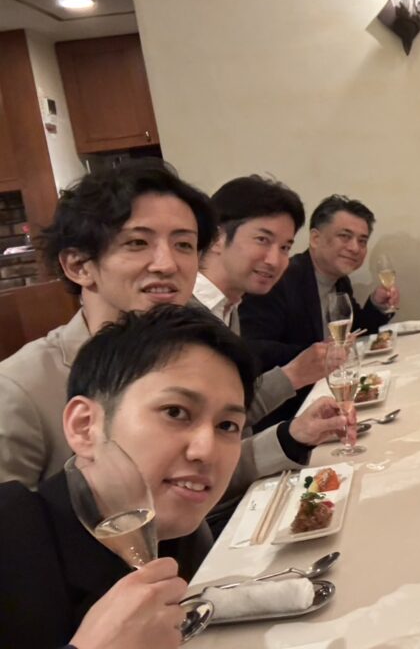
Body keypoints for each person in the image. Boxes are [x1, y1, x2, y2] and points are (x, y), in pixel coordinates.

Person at [0, 161, 344, 497]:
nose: (168, 264)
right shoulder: (21, 391)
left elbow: (201, 471)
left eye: (183, 245)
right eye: (137, 243)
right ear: (78, 265)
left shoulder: (188, 349)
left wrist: (292, 437)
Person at [0, 305, 258, 648]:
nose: (206, 450)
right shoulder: (11, 538)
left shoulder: (181, 538)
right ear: (85, 426)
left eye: (227, 425)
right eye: (175, 412)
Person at [197, 176, 350, 524]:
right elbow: (195, 452)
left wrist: (294, 432)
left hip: (236, 494)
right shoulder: (184, 318)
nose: (275, 259)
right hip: (209, 519)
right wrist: (288, 427)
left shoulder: (227, 309)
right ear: (217, 237)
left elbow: (227, 416)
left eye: (284, 247)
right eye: (263, 240)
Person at [240, 194, 397, 372]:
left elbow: (353, 334)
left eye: (362, 241)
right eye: (345, 236)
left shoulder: (340, 280)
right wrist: (320, 353)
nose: (355, 248)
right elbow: (255, 349)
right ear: (315, 239)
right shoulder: (279, 279)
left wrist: (376, 305)